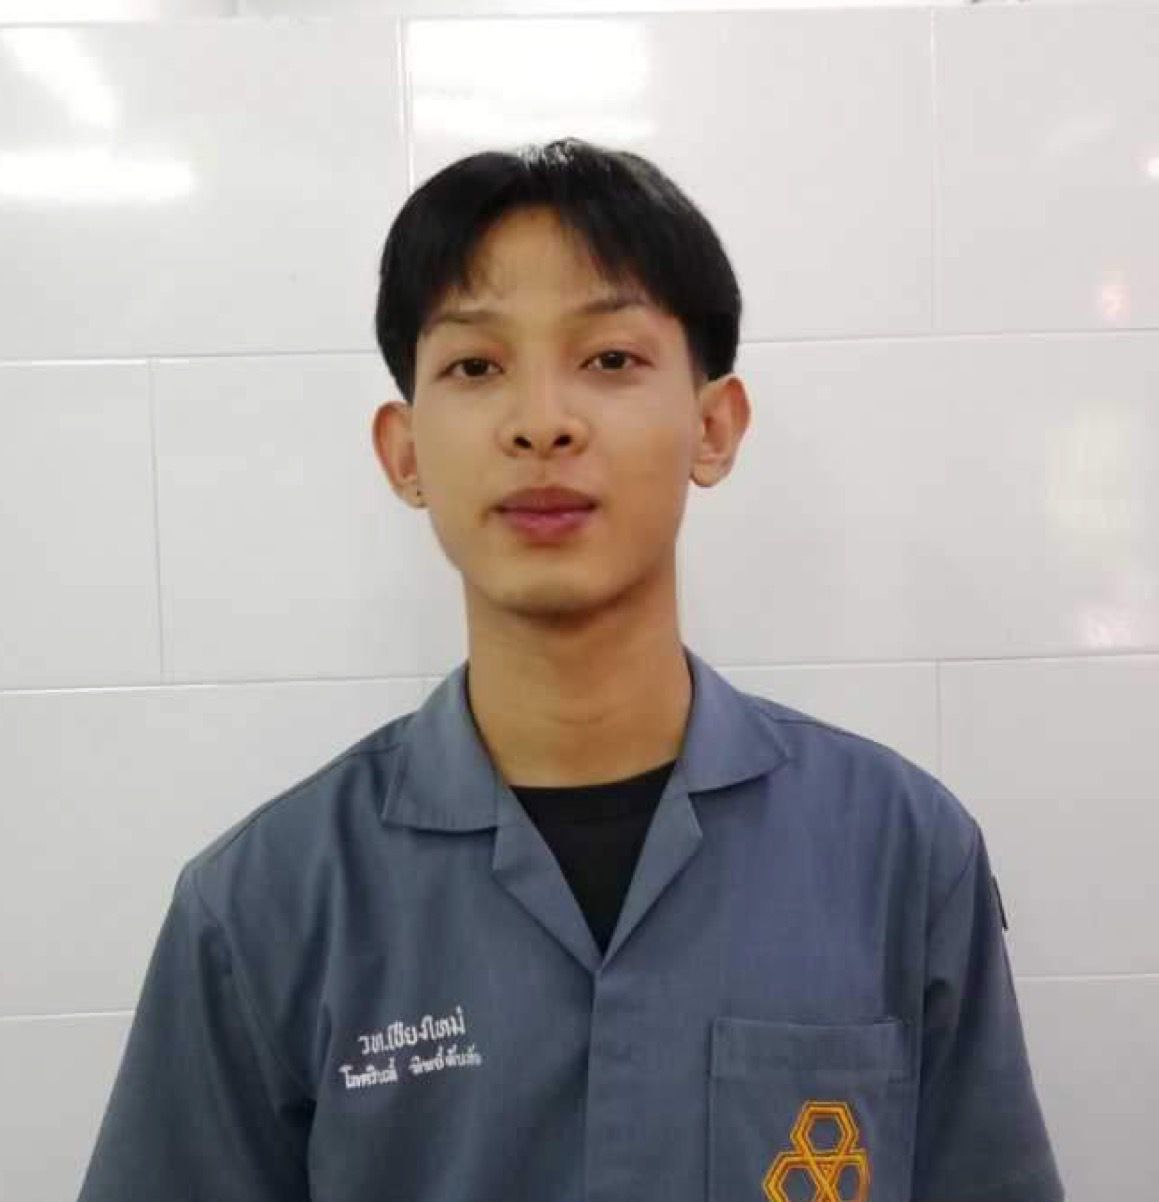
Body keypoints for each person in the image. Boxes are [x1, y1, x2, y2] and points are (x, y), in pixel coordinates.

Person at [77, 136, 1064, 1202]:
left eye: (609, 359)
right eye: (475, 366)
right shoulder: (266, 903)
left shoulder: (900, 852)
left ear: (713, 426)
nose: (542, 422)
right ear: (404, 452)